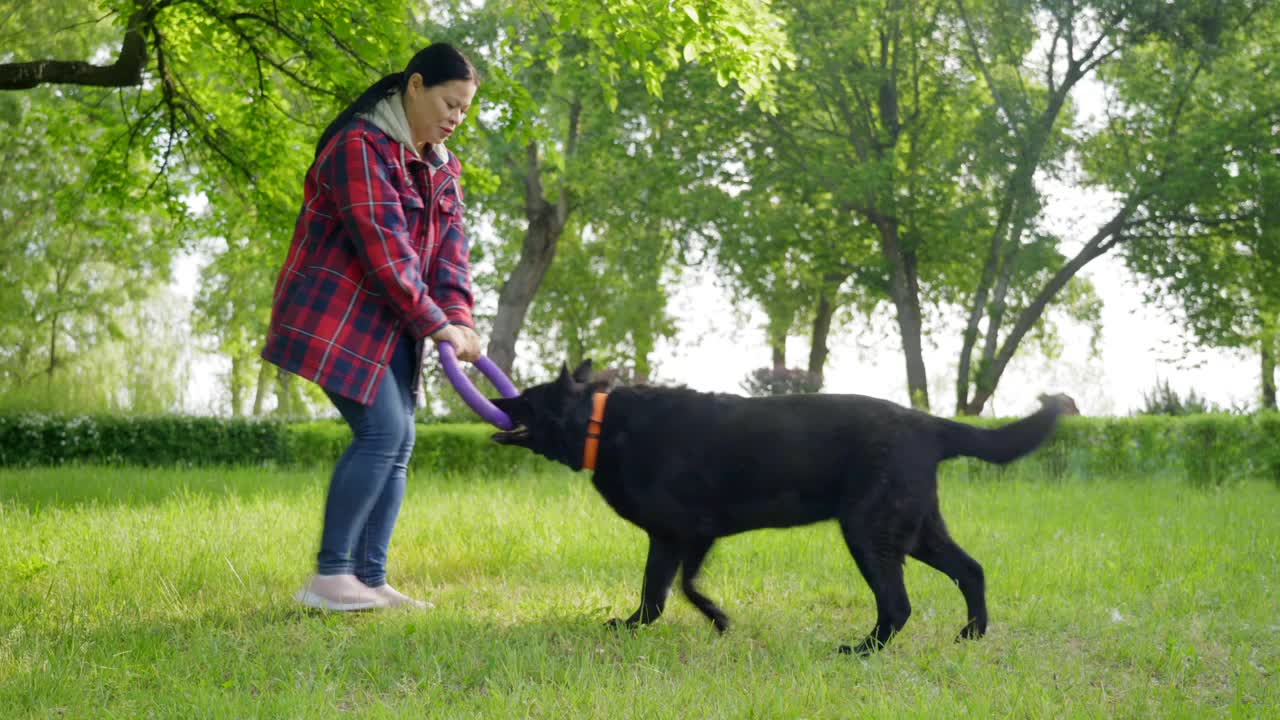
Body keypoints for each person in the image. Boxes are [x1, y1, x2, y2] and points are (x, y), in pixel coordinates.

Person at [261, 43, 484, 611]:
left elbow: (451, 257)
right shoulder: (358, 146)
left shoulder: (443, 169)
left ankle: (368, 577)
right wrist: (435, 321)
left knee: (400, 440)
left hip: (394, 321)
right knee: (384, 431)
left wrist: (458, 317)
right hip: (337, 315)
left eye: (464, 110)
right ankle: (329, 578)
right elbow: (383, 247)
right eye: (449, 104)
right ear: (414, 86)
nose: (456, 119)